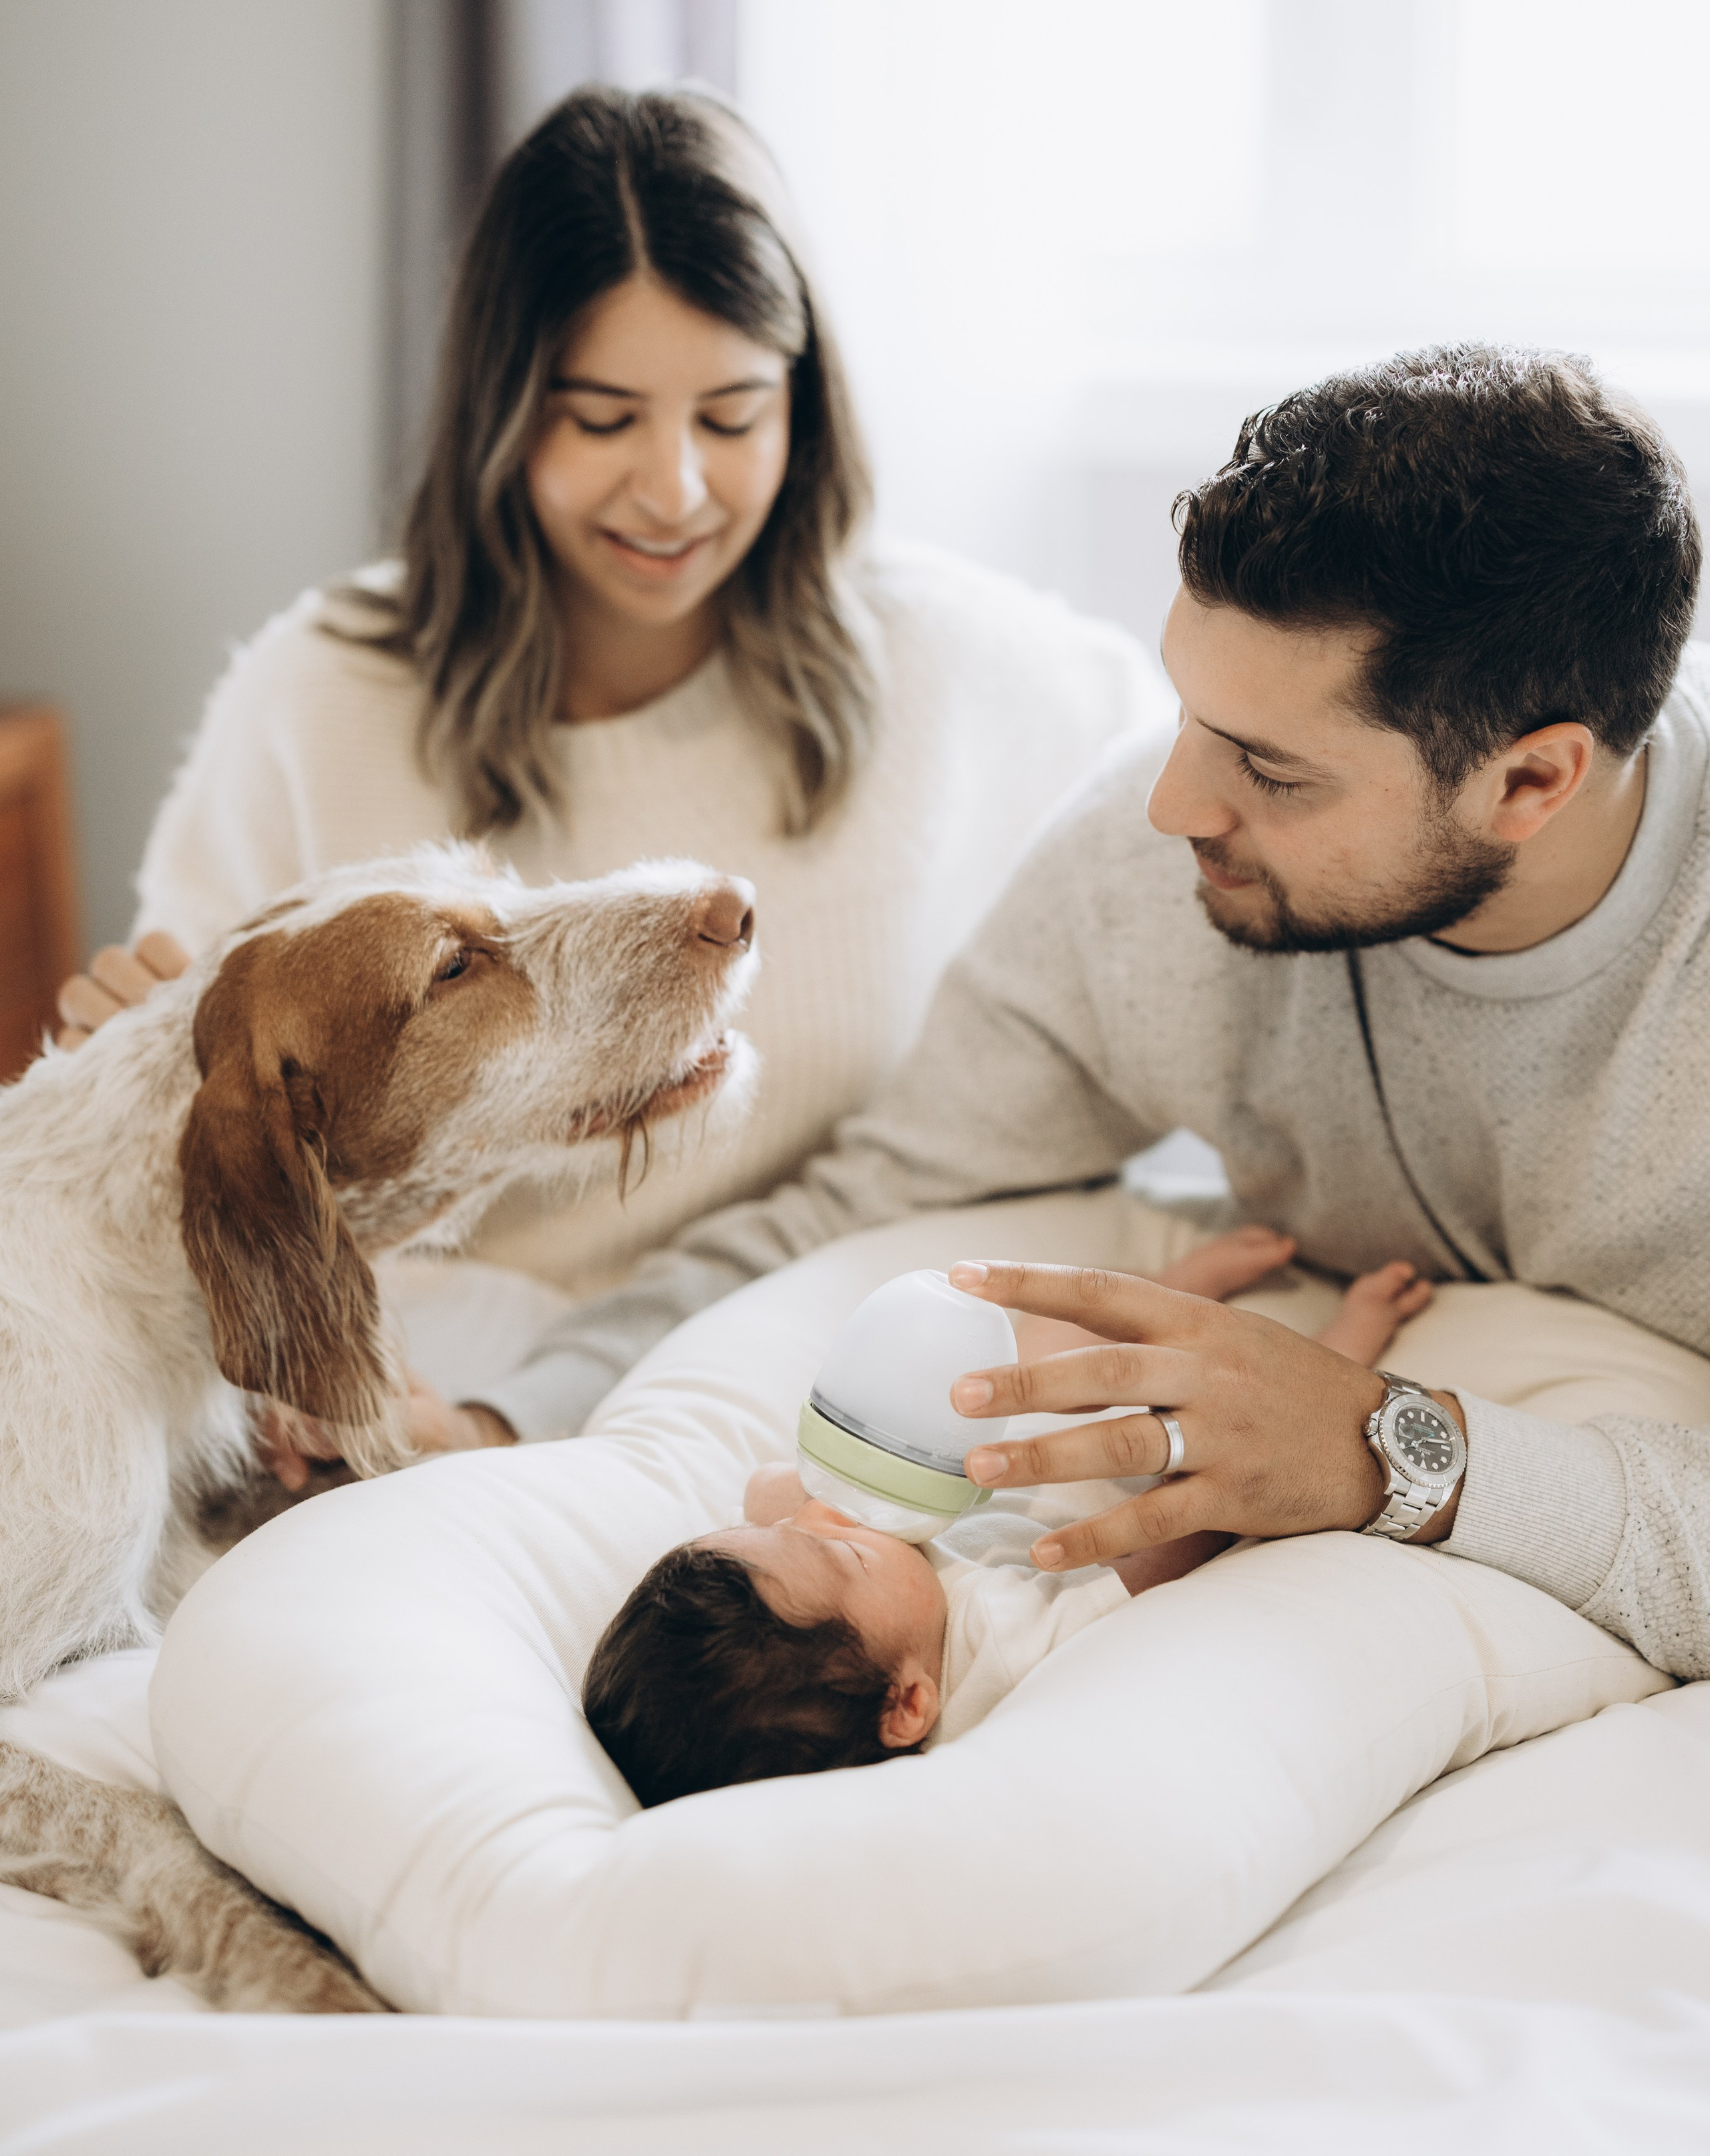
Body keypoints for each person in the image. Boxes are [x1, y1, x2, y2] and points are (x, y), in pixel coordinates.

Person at [528, 343, 1710, 1684]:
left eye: (1268, 767)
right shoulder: (1145, 862)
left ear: (1530, 781)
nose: (1170, 806)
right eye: (1188, 713)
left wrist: (1389, 1447)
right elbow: (885, 1193)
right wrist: (516, 1405)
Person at [55, 85, 1162, 1464]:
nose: (675, 490)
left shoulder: (977, 672)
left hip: (776, 1354)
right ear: (502, 414)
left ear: (802, 408)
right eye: (600, 418)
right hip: (392, 1367)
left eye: (731, 413)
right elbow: (212, 1143)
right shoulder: (319, 692)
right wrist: (147, 1050)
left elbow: (1198, 894)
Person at [582, 1237, 1435, 1803]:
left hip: (995, 1458)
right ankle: (1348, 1332)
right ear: (908, 1704)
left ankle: (1180, 1283)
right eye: (842, 1559)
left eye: (798, 1536)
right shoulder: (1005, 1640)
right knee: (1231, 1431)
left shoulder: (853, 1608)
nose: (823, 1520)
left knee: (1023, 1364)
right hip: (1111, 1473)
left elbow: (772, 1489)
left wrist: (800, 1524)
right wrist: (1219, 1483)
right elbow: (1186, 1533)